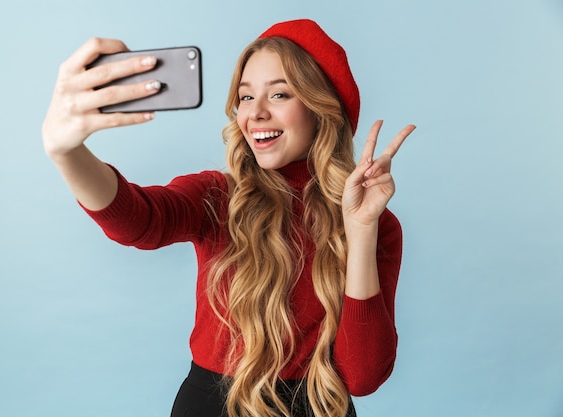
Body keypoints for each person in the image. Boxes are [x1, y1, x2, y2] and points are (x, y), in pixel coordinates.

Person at [42, 18, 415, 417]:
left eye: (279, 95)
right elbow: (139, 220)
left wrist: (359, 232)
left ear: (320, 108)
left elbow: (363, 377)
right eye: (246, 97)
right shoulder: (218, 197)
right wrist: (67, 152)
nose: (256, 113)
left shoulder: (376, 225)